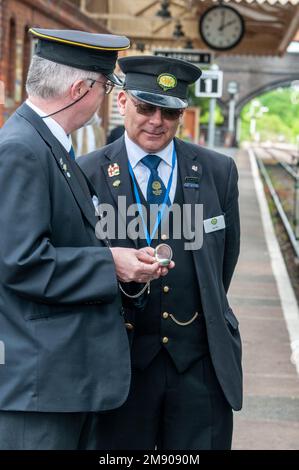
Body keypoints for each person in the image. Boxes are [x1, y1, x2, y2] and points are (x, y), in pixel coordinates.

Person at [0, 31, 172, 450]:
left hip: (57, 381)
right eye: (106, 85)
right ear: (81, 90)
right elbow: (19, 262)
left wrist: (119, 264)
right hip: (39, 389)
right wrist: (110, 263)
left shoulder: (47, 146)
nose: (105, 96)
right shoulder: (23, 150)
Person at [78, 55, 242, 450]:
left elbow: (224, 261)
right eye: (145, 107)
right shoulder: (87, 173)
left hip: (198, 366)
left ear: (182, 113)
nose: (156, 121)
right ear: (122, 103)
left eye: (168, 111)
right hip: (120, 366)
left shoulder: (218, 171)